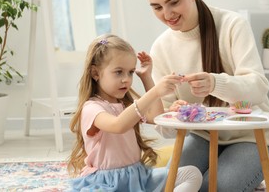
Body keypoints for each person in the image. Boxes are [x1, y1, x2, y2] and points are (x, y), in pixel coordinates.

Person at [144, 0, 269, 192]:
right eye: (157, 7)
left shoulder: (232, 25)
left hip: (251, 137)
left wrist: (215, 83)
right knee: (168, 186)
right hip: (204, 137)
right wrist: (173, 113)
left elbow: (258, 86)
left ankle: (241, 172)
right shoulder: (161, 47)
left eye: (174, 2)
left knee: (211, 188)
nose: (167, 14)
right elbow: (167, 130)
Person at [67, 34, 202, 192]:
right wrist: (156, 92)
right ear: (96, 73)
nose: (126, 79)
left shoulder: (124, 105)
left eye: (130, 72)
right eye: (118, 72)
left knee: (191, 174)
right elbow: (118, 125)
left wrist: (146, 77)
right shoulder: (91, 107)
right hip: (108, 184)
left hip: (138, 177)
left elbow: (155, 116)